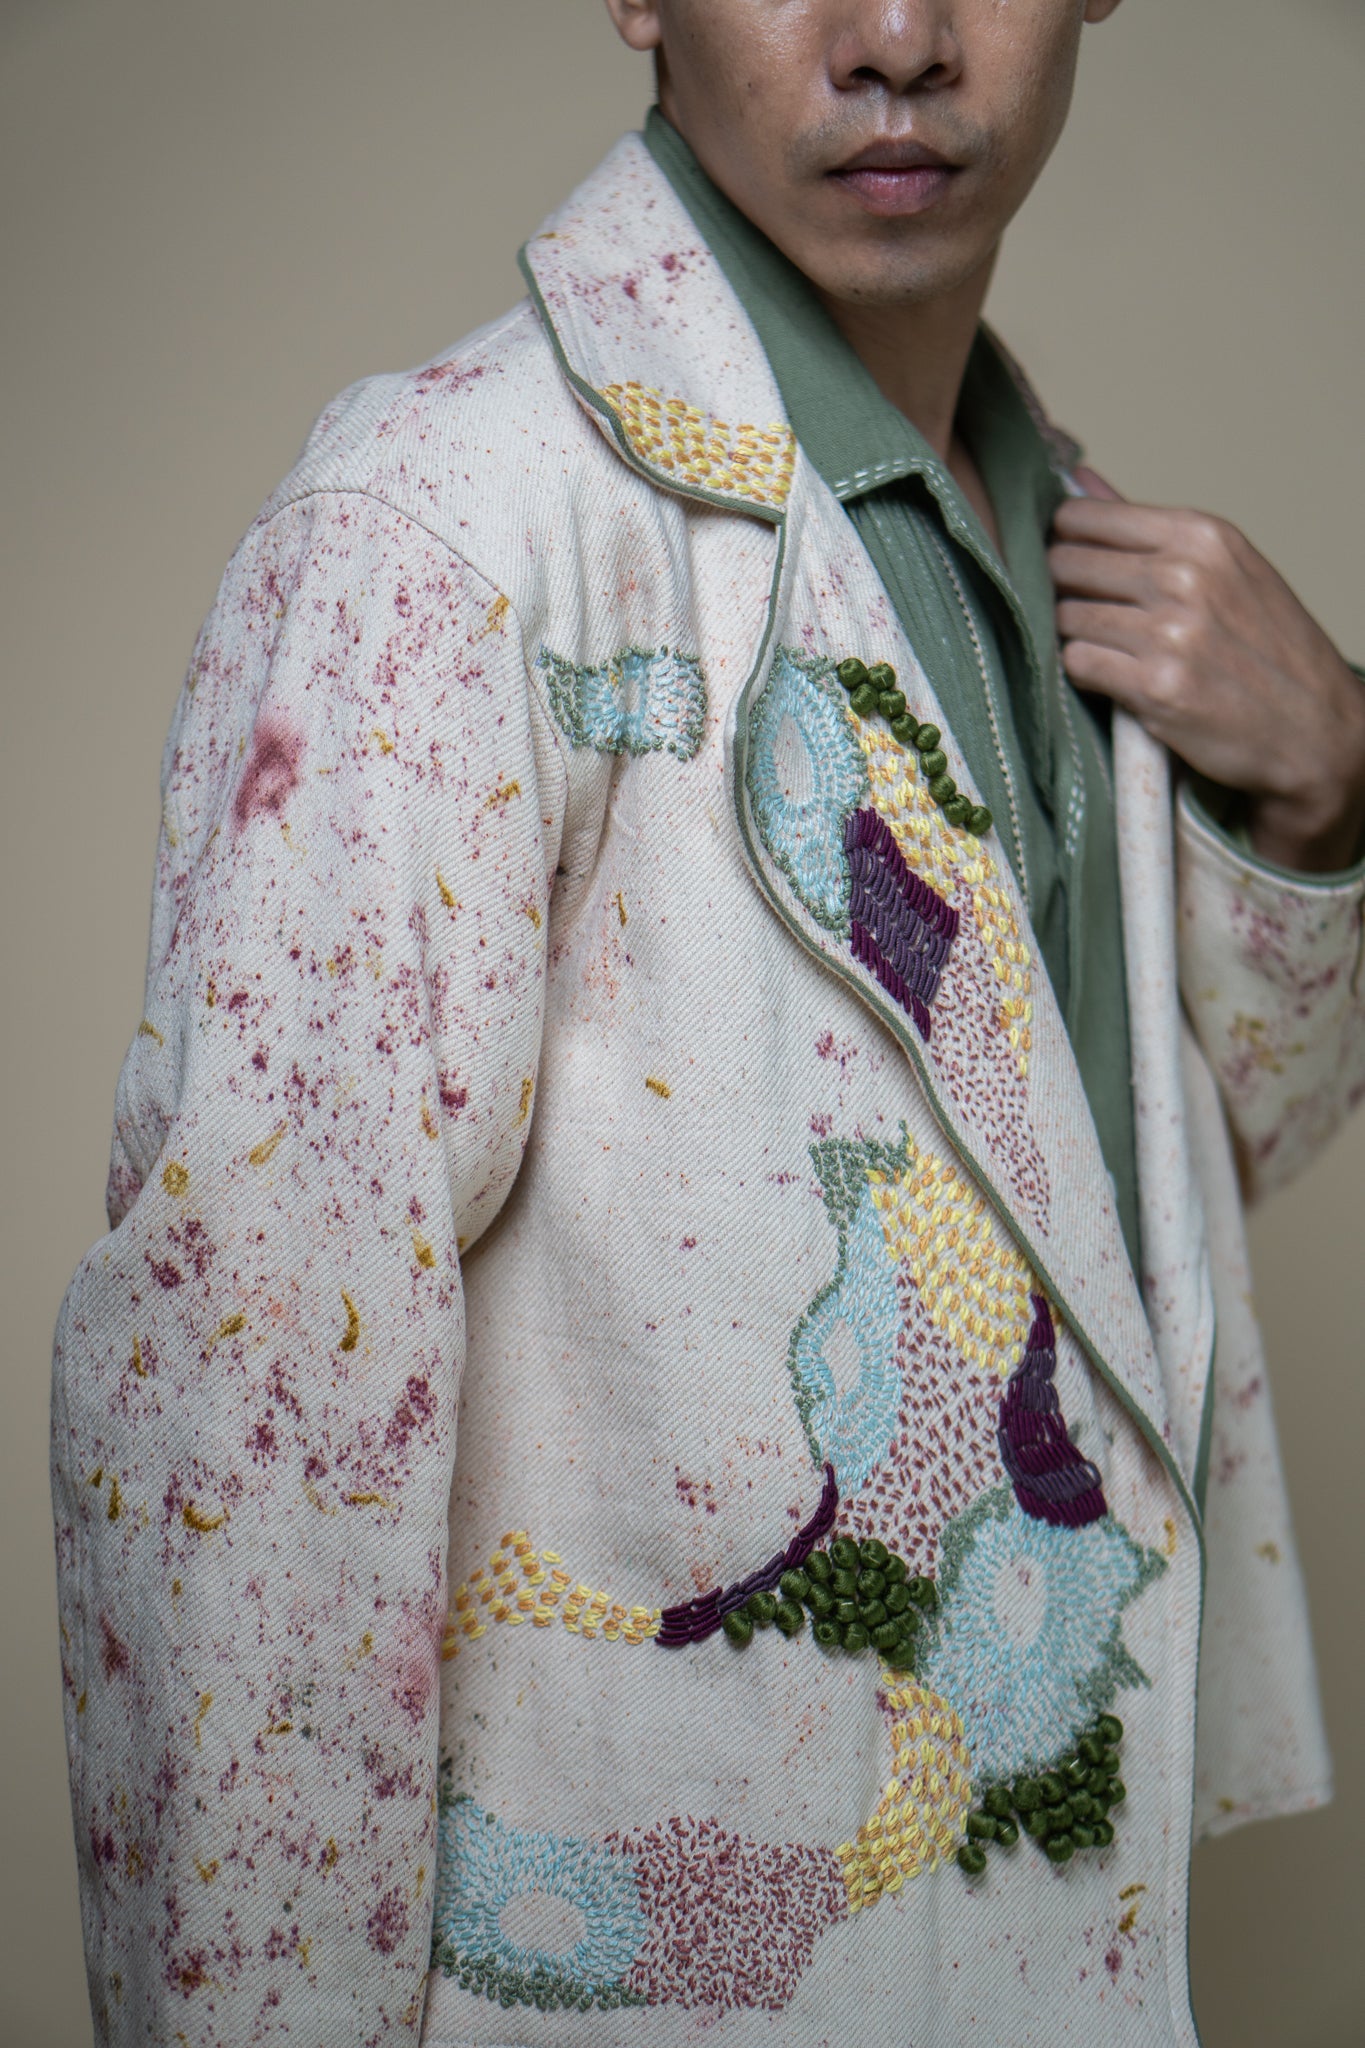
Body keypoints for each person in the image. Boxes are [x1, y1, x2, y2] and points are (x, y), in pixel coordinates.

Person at [49, 2, 1365, 2042]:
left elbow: (1131, 1262)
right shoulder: (446, 522)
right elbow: (251, 1435)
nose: (898, 38)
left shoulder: (1086, 553)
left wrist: (1322, 800)